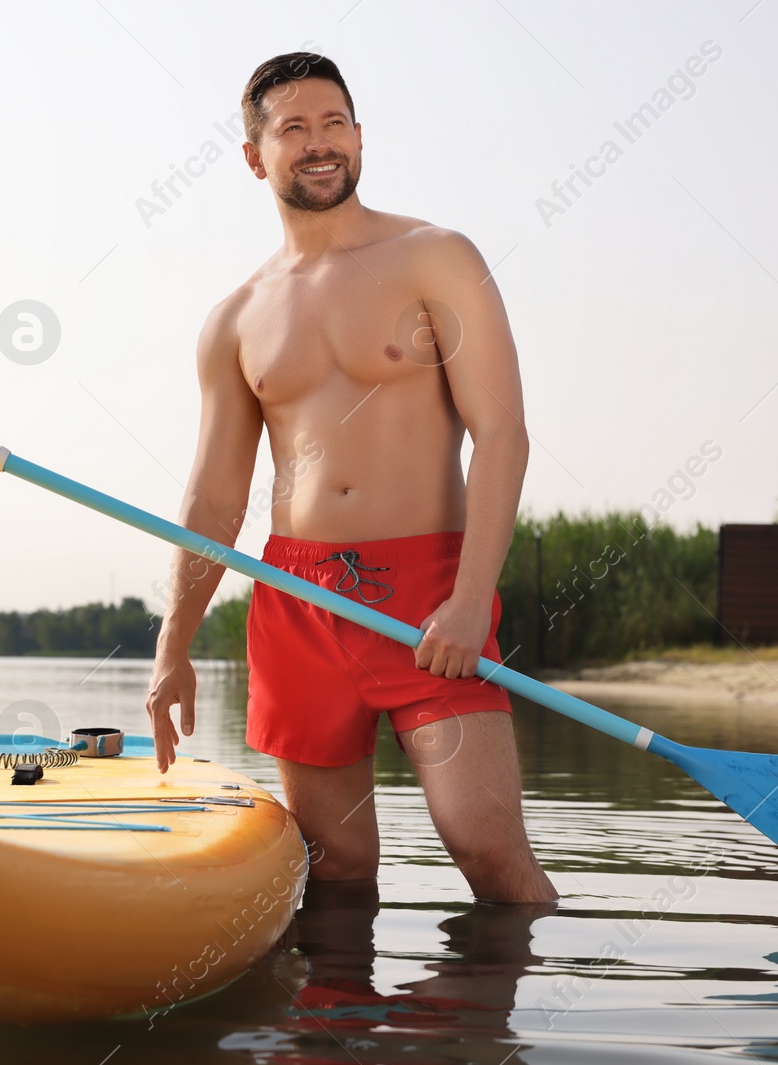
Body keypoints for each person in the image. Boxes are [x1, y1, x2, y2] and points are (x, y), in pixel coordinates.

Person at [145, 52, 556, 903]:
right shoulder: (235, 318)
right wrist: (173, 640)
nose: (319, 143)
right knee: (336, 871)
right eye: (293, 128)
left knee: (489, 854)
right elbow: (216, 497)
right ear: (256, 155)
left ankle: (496, 1038)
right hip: (295, 597)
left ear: (361, 138)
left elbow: (503, 434)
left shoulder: (435, 257)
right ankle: (333, 1032)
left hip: (430, 587)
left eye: (334, 124)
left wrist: (474, 595)